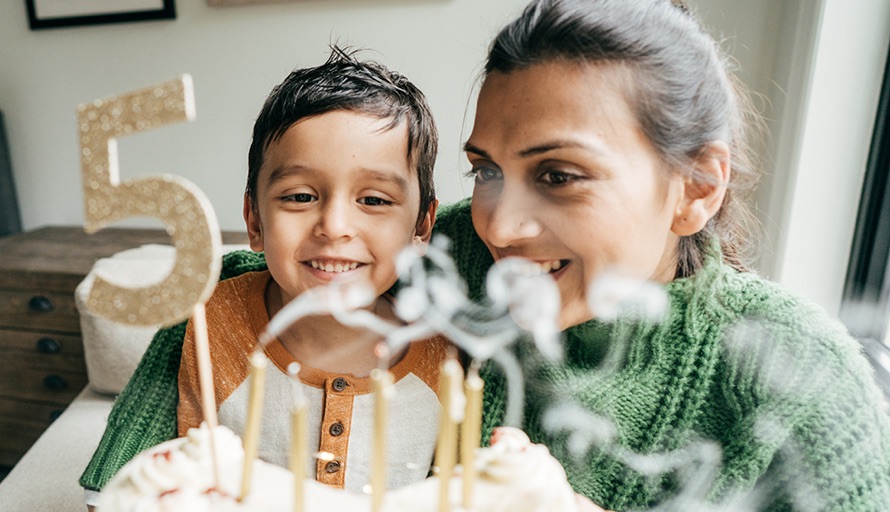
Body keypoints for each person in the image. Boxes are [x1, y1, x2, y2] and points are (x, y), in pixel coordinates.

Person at [431, 0, 890, 510]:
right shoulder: (450, 253)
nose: (500, 225)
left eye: (558, 176)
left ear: (696, 188)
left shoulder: (804, 378)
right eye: (487, 172)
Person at [80, 47, 448, 507]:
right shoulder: (209, 323)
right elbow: (123, 489)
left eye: (373, 200)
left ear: (421, 227)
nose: (334, 226)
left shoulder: (447, 353)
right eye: (298, 196)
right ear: (254, 220)